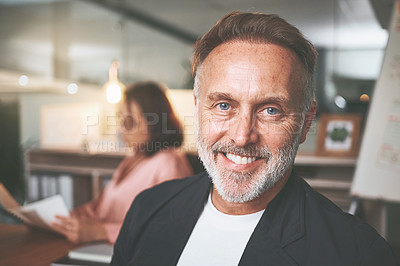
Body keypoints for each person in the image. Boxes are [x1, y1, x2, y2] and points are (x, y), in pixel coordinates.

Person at [111, 12, 399, 265]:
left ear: (306, 120)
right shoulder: (147, 207)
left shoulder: (358, 255)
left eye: (271, 110)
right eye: (224, 105)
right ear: (198, 108)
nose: (241, 136)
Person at [52, 81, 193, 244]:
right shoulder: (133, 159)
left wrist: (102, 231)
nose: (121, 130)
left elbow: (167, 227)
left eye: (129, 122)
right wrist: (66, 219)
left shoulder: (168, 163)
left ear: (154, 124)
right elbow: (100, 208)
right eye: (121, 121)